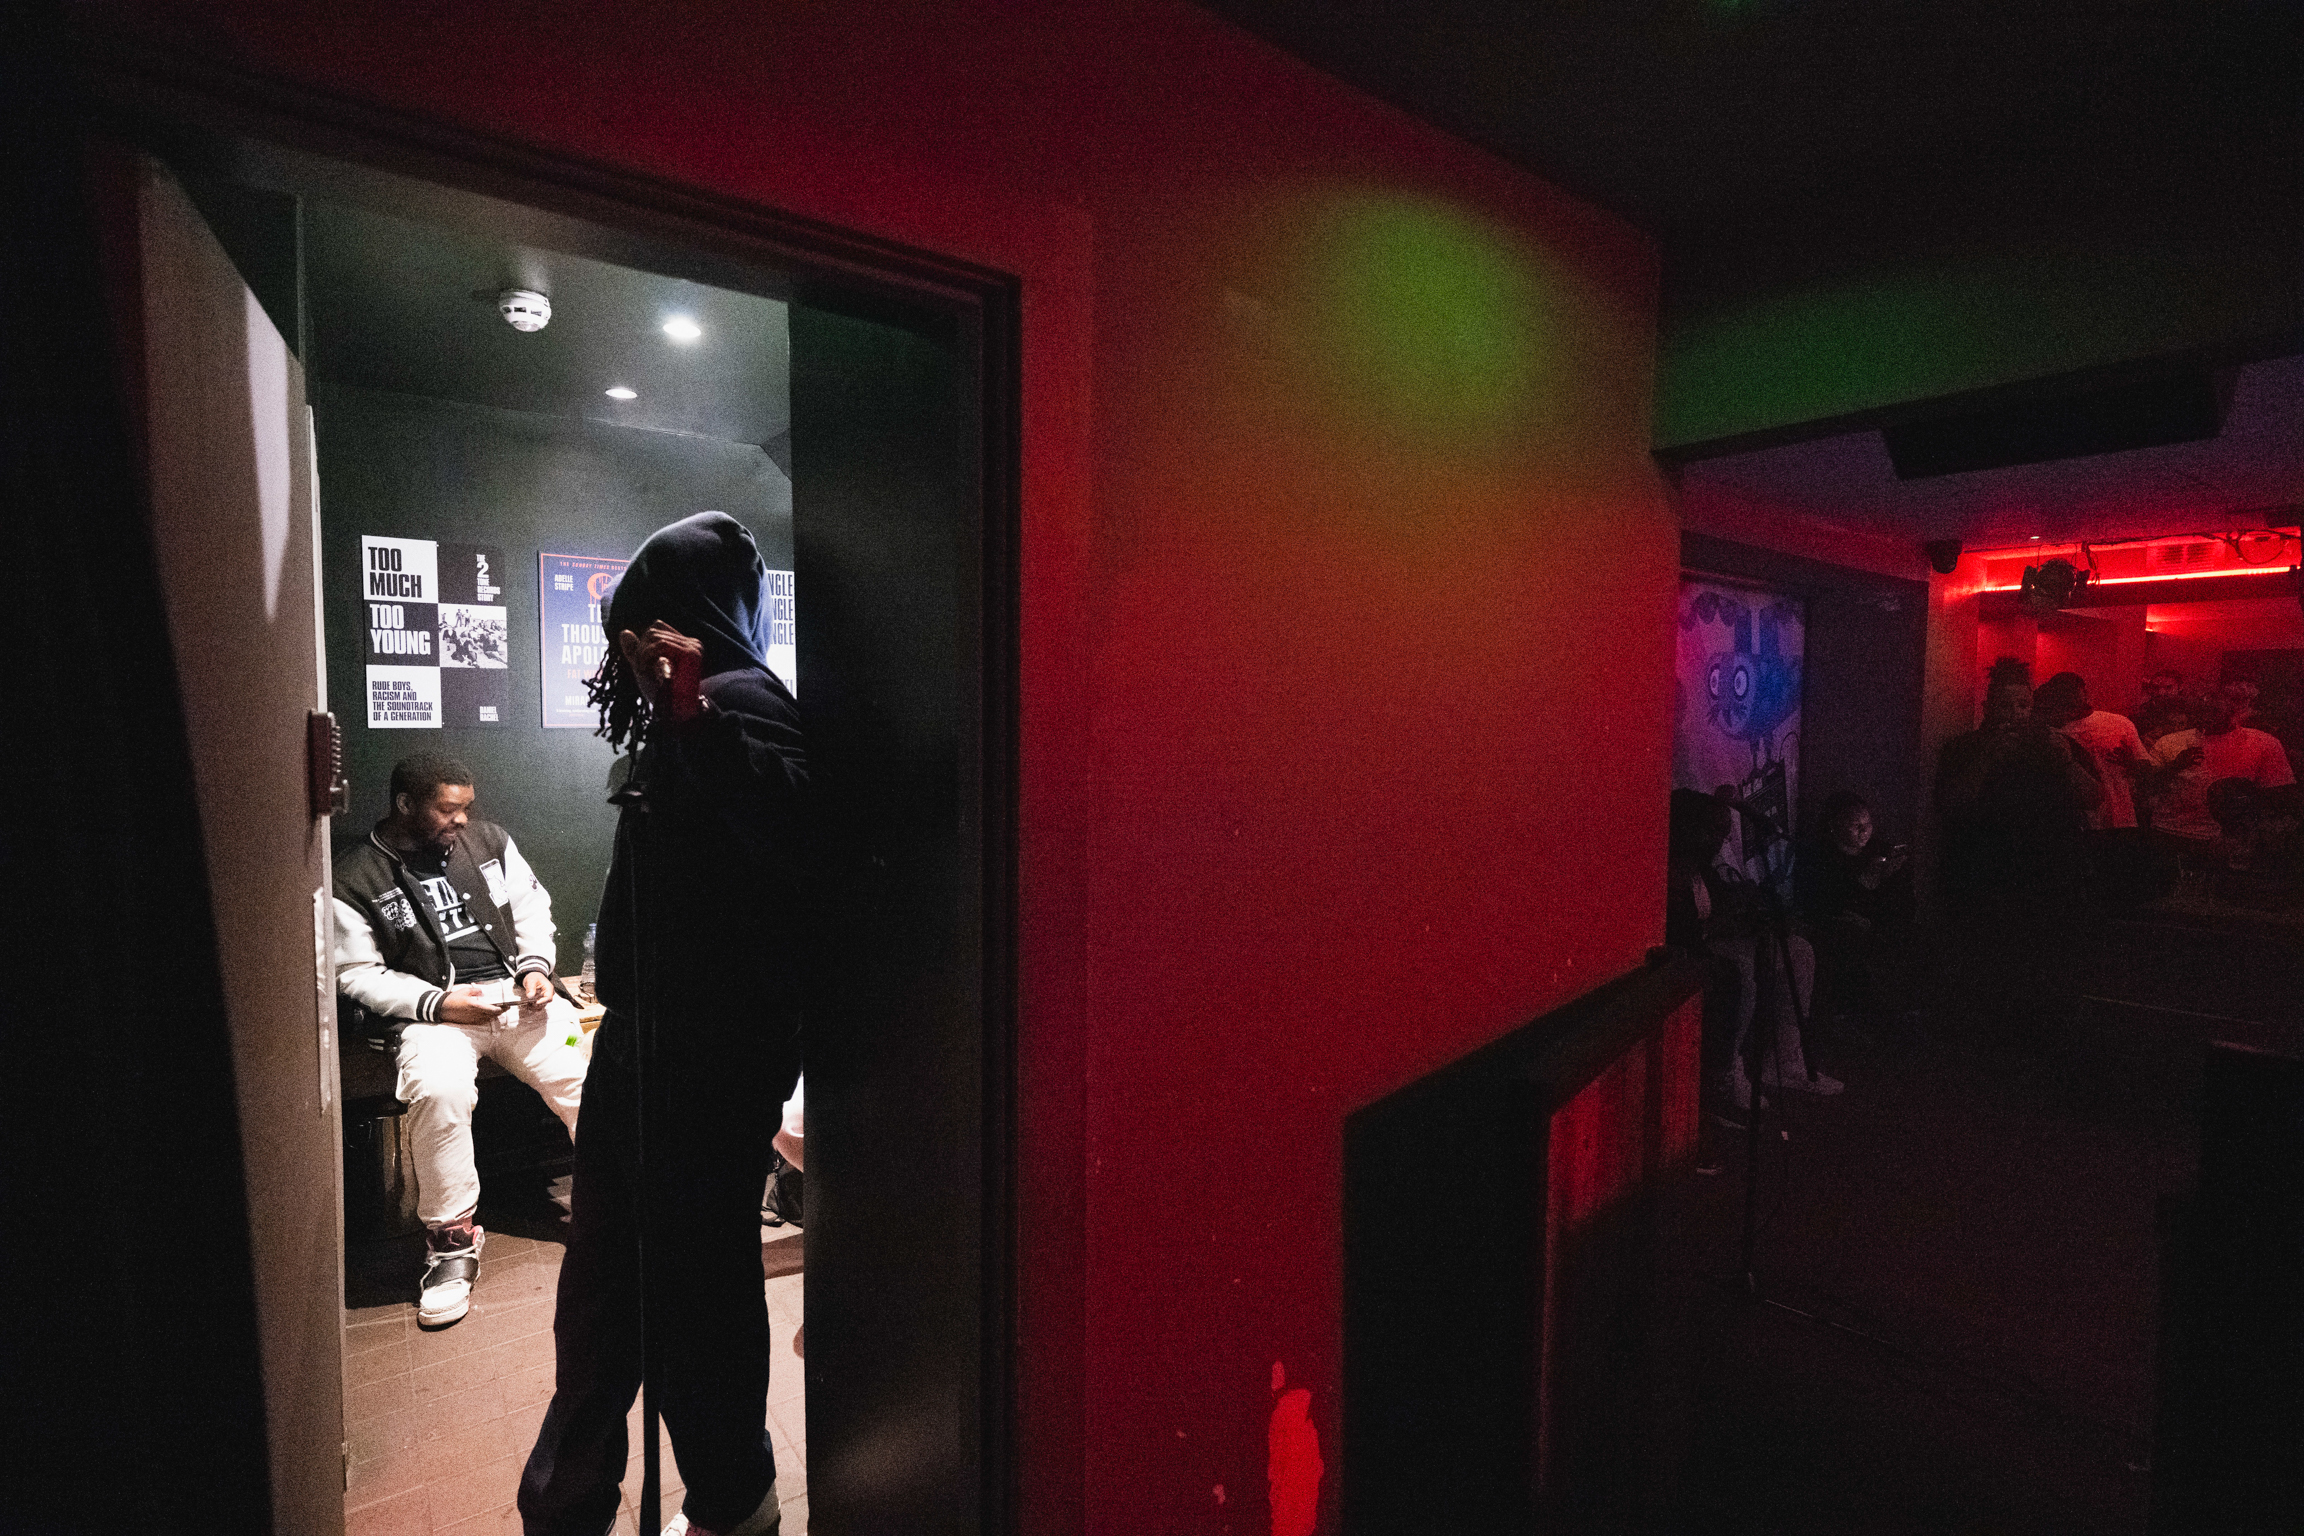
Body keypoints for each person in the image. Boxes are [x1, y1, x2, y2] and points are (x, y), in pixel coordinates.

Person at [521, 512, 806, 1536]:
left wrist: (693, 717)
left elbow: (790, 831)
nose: (632, 643)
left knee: (678, 1294)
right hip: (659, 1052)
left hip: (706, 1062)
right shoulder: (696, 708)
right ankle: (593, 1498)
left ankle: (721, 1501)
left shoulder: (739, 703)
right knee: (629, 1289)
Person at [333, 754, 588, 1328]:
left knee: (585, 1073)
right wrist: (438, 1003)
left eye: (467, 808)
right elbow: (355, 972)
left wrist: (537, 969)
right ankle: (451, 1242)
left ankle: (618, 1204)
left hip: (513, 996)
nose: (463, 821)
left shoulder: (491, 842)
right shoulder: (357, 875)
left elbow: (531, 909)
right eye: (449, 810)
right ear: (406, 805)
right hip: (434, 1011)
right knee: (439, 1087)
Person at [1667, 788, 1843, 1112]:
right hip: (1687, 954)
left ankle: (1786, 1058)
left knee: (1798, 951)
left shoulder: (1702, 869)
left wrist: (1748, 907)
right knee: (1741, 972)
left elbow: (1717, 908)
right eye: (1713, 832)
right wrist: (1729, 921)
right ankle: (1727, 1073)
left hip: (1713, 943)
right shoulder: (1669, 871)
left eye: (1723, 832)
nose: (1719, 841)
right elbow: (1685, 932)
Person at [1795, 791, 1913, 1024]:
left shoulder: (1880, 850)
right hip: (1840, 928)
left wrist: (1896, 876)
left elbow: (1902, 903)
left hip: (1879, 924)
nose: (1864, 831)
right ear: (1835, 825)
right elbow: (1823, 905)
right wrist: (1863, 885)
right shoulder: (1820, 858)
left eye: (1868, 824)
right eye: (1855, 825)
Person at [2144, 692, 2296, 862]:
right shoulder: (2170, 742)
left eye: (2216, 711)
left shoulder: (2263, 743)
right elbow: (2147, 785)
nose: (2209, 717)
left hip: (2232, 839)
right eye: (2203, 711)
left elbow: (2279, 795)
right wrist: (2175, 766)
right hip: (2171, 831)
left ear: (2233, 712)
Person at [2035, 672, 2149, 830]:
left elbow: (2147, 771)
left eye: (2073, 690)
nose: (2072, 697)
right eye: (2064, 692)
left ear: (2084, 691)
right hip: (2076, 822)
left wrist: (2131, 764)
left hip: (2121, 817)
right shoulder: (2050, 732)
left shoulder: (2119, 724)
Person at [2131, 669, 2189, 744]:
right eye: (2156, 688)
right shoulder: (2143, 713)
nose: (2161, 692)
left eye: (2168, 687)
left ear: (2180, 687)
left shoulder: (2190, 710)